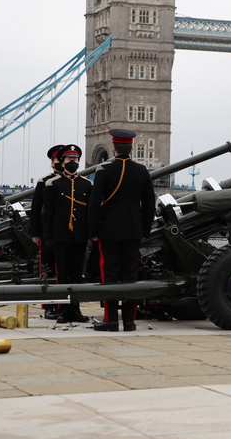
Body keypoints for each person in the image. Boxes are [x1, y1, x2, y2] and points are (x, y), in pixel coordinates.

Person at [89, 129, 156, 332]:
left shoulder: (104, 171)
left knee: (109, 274)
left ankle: (110, 321)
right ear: (132, 147)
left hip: (109, 231)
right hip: (133, 231)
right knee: (130, 275)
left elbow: (94, 204)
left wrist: (93, 230)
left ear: (114, 147)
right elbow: (149, 203)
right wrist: (144, 229)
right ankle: (129, 321)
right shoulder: (141, 171)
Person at [43, 144, 91, 323]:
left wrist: (90, 235)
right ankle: (63, 309)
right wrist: (47, 235)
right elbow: (48, 212)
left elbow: (88, 213)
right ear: (62, 163)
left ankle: (76, 309)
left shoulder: (87, 184)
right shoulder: (53, 184)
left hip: (79, 236)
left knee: (77, 274)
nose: (73, 162)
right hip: (60, 235)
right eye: (69, 159)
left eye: (75, 159)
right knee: (62, 274)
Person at [30, 145, 63, 319]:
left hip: (68, 232)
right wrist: (35, 233)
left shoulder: (76, 181)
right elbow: (36, 210)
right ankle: (50, 305)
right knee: (47, 269)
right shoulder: (44, 182)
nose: (61, 163)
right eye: (58, 160)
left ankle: (68, 304)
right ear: (52, 162)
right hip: (47, 232)